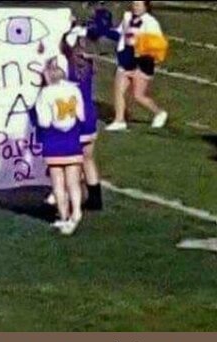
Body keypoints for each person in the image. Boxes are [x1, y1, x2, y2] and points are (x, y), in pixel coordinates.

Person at [36, 56, 86, 235]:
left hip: (54, 139)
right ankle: (77, 212)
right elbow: (81, 115)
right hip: (72, 137)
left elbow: (44, 121)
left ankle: (64, 217)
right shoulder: (74, 89)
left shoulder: (46, 93)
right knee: (73, 181)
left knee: (58, 181)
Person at [103, 0, 169, 131]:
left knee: (138, 96)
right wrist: (104, 31)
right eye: (134, 4)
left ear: (146, 7)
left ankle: (159, 112)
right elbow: (120, 34)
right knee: (118, 90)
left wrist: (142, 62)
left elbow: (156, 46)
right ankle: (119, 120)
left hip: (142, 63)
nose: (135, 7)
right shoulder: (127, 17)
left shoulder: (151, 23)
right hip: (126, 59)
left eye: (138, 5)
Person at [63, 26, 103, 210]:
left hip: (74, 117)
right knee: (88, 158)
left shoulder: (65, 67)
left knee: (73, 161)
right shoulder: (88, 63)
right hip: (90, 114)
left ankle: (74, 200)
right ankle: (96, 199)